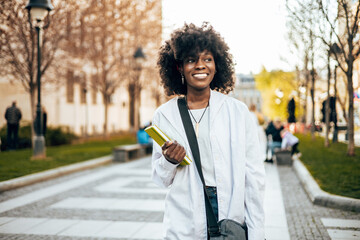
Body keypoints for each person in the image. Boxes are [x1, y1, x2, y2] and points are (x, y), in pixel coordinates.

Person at [151, 23, 265, 239]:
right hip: (184, 219)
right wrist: (169, 161)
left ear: (217, 64)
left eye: (207, 59)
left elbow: (254, 177)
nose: (200, 65)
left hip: (228, 214)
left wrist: (257, 231)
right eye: (192, 60)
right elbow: (160, 179)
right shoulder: (164, 115)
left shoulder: (237, 113)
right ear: (179, 67)